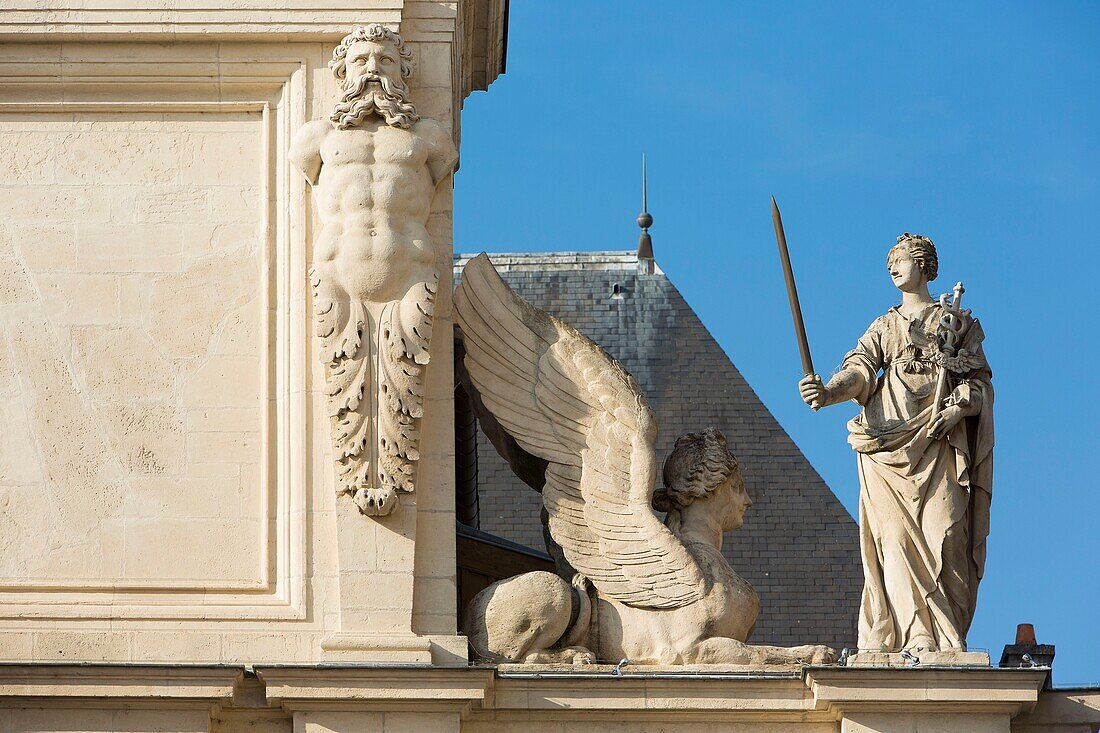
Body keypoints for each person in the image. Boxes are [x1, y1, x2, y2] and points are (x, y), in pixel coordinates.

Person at [798, 233, 993, 653]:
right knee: (894, 540)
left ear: (923, 265)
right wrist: (830, 392)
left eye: (900, 258)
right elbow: (861, 371)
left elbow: (979, 385)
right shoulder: (885, 326)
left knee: (947, 534)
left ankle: (945, 635)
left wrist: (959, 408)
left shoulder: (957, 323)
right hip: (886, 450)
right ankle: (916, 637)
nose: (892, 267)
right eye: (889, 262)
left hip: (939, 442)